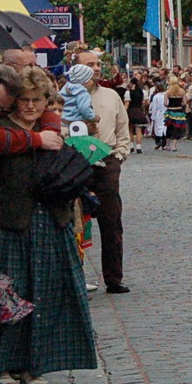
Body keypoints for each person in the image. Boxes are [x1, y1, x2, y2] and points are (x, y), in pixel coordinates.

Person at [0, 68, 96, 384]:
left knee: (46, 296)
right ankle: (1, 365)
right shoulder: (1, 131)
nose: (30, 106)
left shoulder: (53, 131)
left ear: (46, 102)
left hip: (49, 223)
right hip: (9, 225)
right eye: (24, 100)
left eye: (37, 100)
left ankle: (35, 366)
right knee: (9, 297)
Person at [72, 49, 131, 295]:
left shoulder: (110, 95)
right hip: (75, 163)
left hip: (106, 162)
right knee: (76, 223)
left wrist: (118, 155)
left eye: (97, 64)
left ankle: (114, 278)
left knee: (111, 222)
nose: (96, 68)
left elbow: (122, 129)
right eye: (89, 64)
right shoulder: (64, 97)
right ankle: (77, 276)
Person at [58, 64, 96, 134]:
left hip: (63, 122)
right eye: (91, 79)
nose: (93, 82)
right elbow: (84, 108)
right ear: (84, 80)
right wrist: (93, 117)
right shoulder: (83, 93)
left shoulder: (65, 88)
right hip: (79, 125)